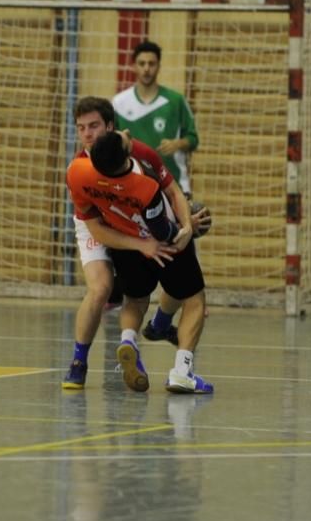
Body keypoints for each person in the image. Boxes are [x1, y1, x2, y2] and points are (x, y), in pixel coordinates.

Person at [61, 97, 210, 390]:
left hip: (123, 228)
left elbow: (173, 193)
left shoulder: (86, 170)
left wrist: (183, 227)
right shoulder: (118, 178)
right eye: (81, 128)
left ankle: (141, 335)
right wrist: (177, 230)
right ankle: (79, 363)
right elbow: (95, 228)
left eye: (94, 126)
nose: (88, 134)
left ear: (110, 126)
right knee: (102, 288)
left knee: (138, 293)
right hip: (106, 224)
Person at [112, 41, 199, 197]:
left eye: (151, 63)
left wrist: (178, 143)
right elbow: (112, 142)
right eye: (142, 63)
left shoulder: (175, 101)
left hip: (174, 186)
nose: (146, 68)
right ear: (134, 66)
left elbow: (193, 139)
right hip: (133, 185)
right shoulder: (119, 102)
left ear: (159, 66)